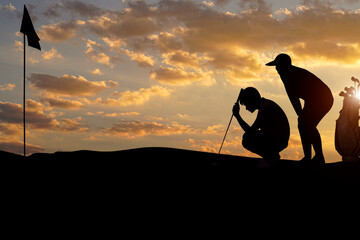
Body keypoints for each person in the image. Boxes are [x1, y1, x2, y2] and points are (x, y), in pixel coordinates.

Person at [266, 53, 333, 164]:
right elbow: (295, 100)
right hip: (313, 100)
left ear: (284, 65)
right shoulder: (286, 75)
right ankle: (309, 156)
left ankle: (317, 156)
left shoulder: (289, 76)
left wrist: (301, 116)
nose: (276, 69)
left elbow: (294, 100)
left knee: (307, 124)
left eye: (278, 65)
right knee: (304, 124)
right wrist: (301, 116)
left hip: (323, 98)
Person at [232, 87, 290, 167]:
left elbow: (250, 131)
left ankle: (271, 157)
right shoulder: (266, 105)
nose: (246, 108)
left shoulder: (265, 109)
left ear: (251, 100)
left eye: (246, 105)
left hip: (277, 140)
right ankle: (271, 155)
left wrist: (238, 116)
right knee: (250, 136)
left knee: (247, 139)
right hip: (278, 138)